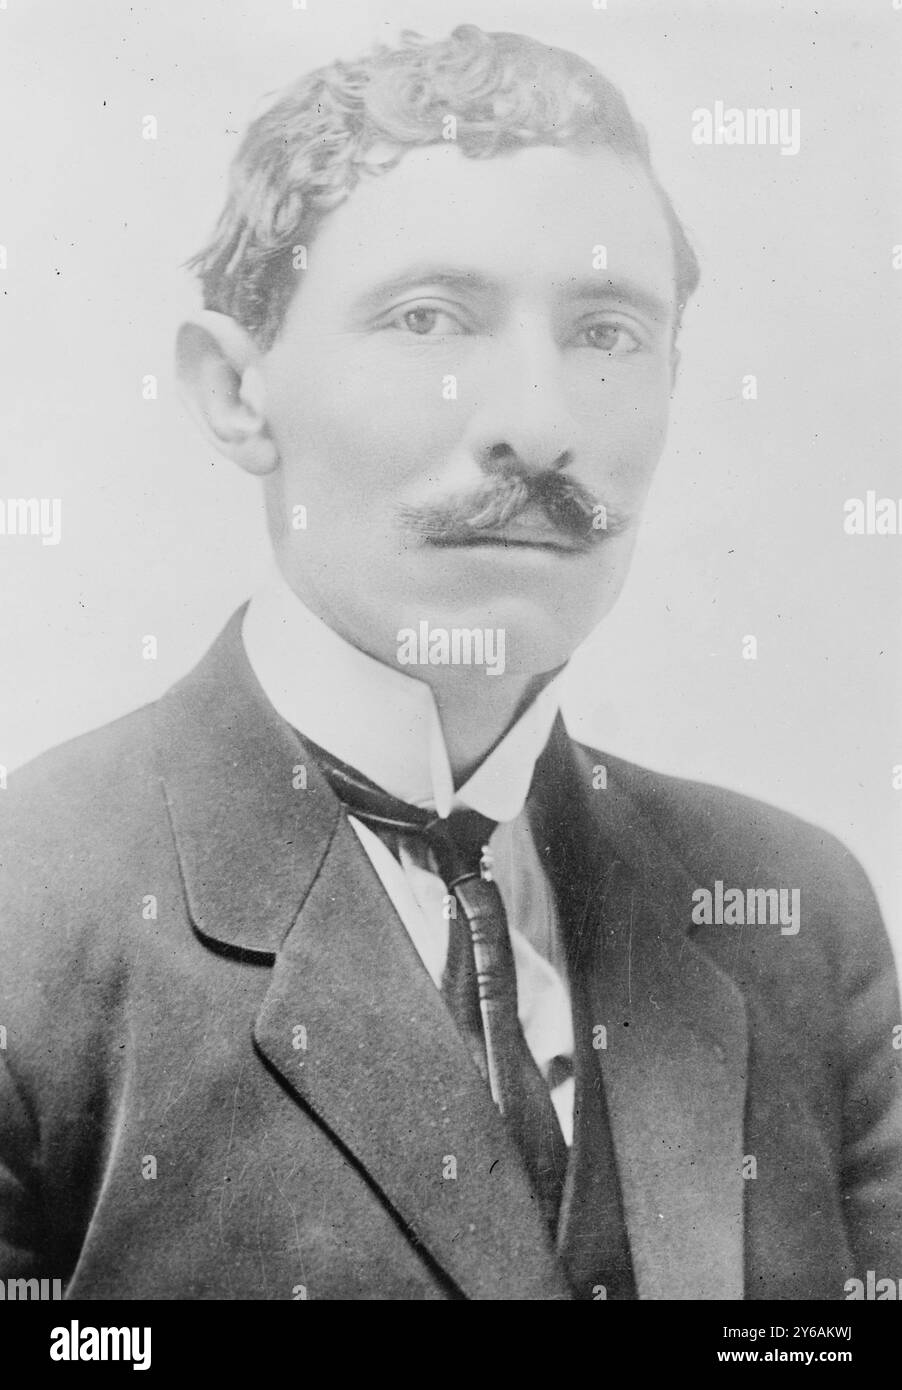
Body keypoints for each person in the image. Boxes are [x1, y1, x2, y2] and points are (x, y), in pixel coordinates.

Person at [1, 24, 899, 1301]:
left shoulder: (794, 914)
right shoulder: (24, 921)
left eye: (604, 330)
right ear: (234, 392)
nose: (537, 422)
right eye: (429, 318)